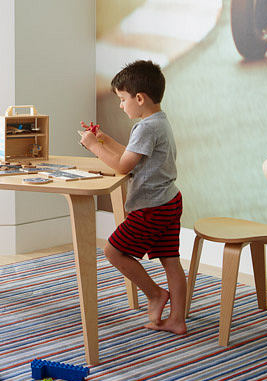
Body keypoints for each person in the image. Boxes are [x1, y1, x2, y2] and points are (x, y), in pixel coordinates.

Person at [78, 59, 187, 335]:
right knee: (171, 261)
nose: (120, 105)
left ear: (139, 98)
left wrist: (92, 147)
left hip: (152, 207)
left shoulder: (146, 127)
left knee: (113, 251)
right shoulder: (158, 121)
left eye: (122, 99)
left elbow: (123, 166)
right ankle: (177, 319)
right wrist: (103, 139)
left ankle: (154, 294)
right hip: (169, 201)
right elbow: (131, 154)